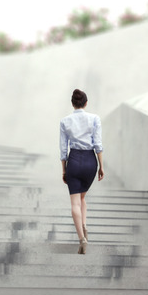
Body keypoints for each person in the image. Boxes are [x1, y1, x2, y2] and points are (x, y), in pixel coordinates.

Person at [58, 88, 105, 254]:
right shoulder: (94, 118)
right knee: (82, 197)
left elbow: (63, 149)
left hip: (74, 160)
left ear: (73, 104)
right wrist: (101, 166)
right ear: (86, 103)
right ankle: (84, 225)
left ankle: (82, 239)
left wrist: (64, 170)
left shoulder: (65, 121)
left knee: (75, 202)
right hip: (90, 161)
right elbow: (98, 144)